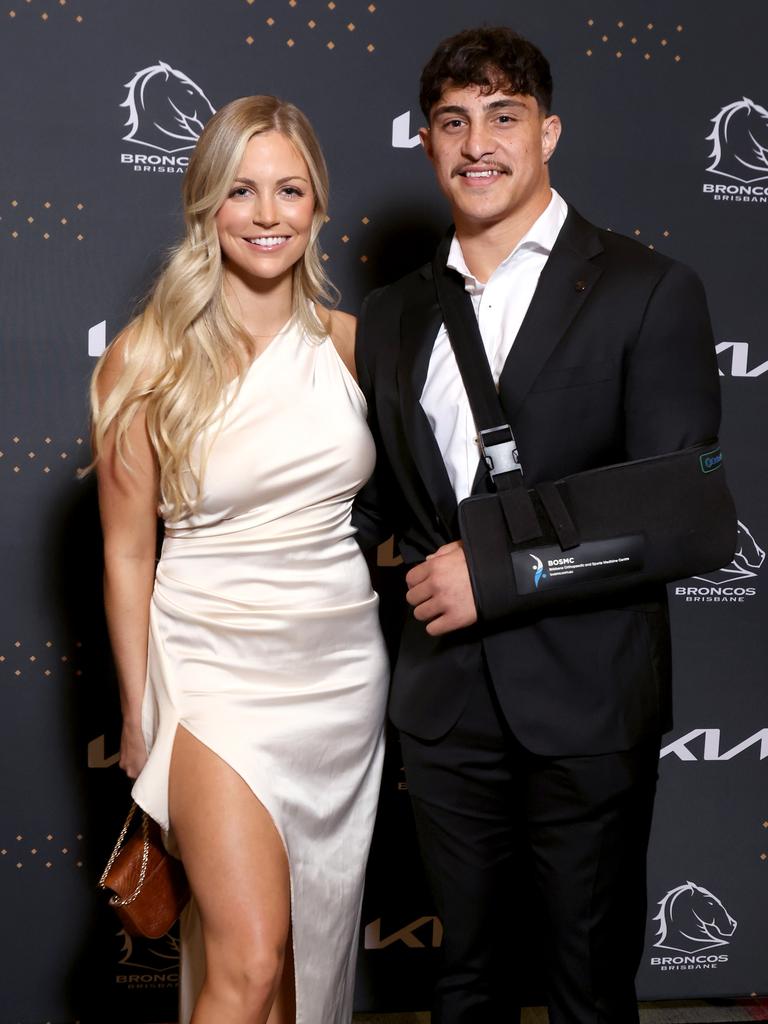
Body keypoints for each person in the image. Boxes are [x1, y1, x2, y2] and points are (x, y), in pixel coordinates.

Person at [353, 27, 723, 1024]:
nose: (479, 143)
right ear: (427, 144)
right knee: (463, 982)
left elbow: (688, 515)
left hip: (591, 704)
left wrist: (500, 571)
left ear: (549, 132)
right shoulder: (391, 315)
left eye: (504, 116)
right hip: (441, 708)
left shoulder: (649, 290)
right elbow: (377, 502)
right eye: (454, 121)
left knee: (584, 989)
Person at [90, 95, 388, 1024]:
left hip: (339, 677)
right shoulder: (144, 361)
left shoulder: (352, 348)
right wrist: (140, 714)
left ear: (319, 207)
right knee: (250, 961)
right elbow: (126, 552)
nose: (267, 215)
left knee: (301, 958)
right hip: (213, 677)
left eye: (290, 190)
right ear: (205, 206)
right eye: (242, 191)